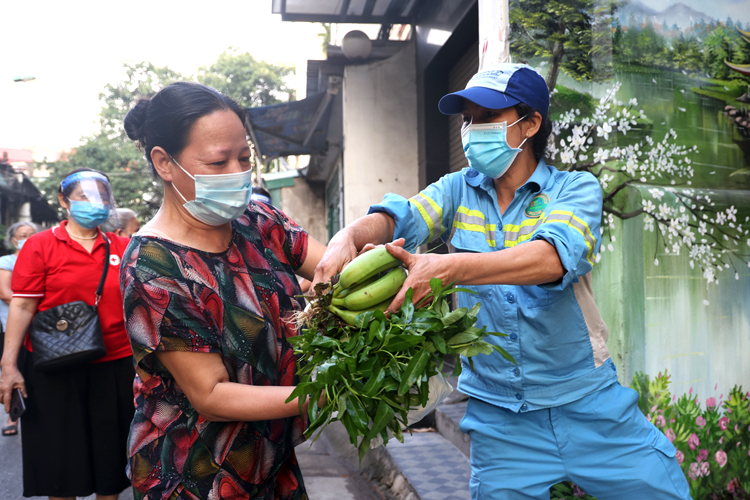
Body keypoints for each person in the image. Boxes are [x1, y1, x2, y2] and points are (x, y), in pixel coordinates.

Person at [311, 64, 691, 500]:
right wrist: (348, 237)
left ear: (530, 123)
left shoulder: (573, 190)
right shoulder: (458, 190)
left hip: (586, 404)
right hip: (500, 418)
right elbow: (401, 217)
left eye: (488, 117)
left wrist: (452, 269)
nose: (473, 130)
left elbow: (551, 258)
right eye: (468, 119)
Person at [120, 81, 326, 500]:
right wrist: (327, 390)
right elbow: (210, 395)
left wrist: (394, 268)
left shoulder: (258, 220)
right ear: (164, 162)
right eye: (218, 161)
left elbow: (332, 268)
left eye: (244, 157)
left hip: (271, 457)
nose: (238, 173)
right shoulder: (153, 266)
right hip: (196, 472)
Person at [0, 168, 135, 500]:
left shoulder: (125, 246)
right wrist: (8, 366)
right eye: (84, 197)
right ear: (64, 201)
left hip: (114, 364)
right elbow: (22, 307)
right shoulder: (39, 245)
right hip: (53, 365)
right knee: (59, 462)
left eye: (102, 197)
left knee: (111, 461)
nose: (95, 204)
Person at [0, 221, 38, 437]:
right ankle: (11, 415)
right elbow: (5, 293)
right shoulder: (6, 261)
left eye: (32, 234)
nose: (27, 237)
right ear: (13, 239)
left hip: (40, 328)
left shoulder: (39, 256)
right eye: (23, 234)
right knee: (15, 369)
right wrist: (34, 302)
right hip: (13, 327)